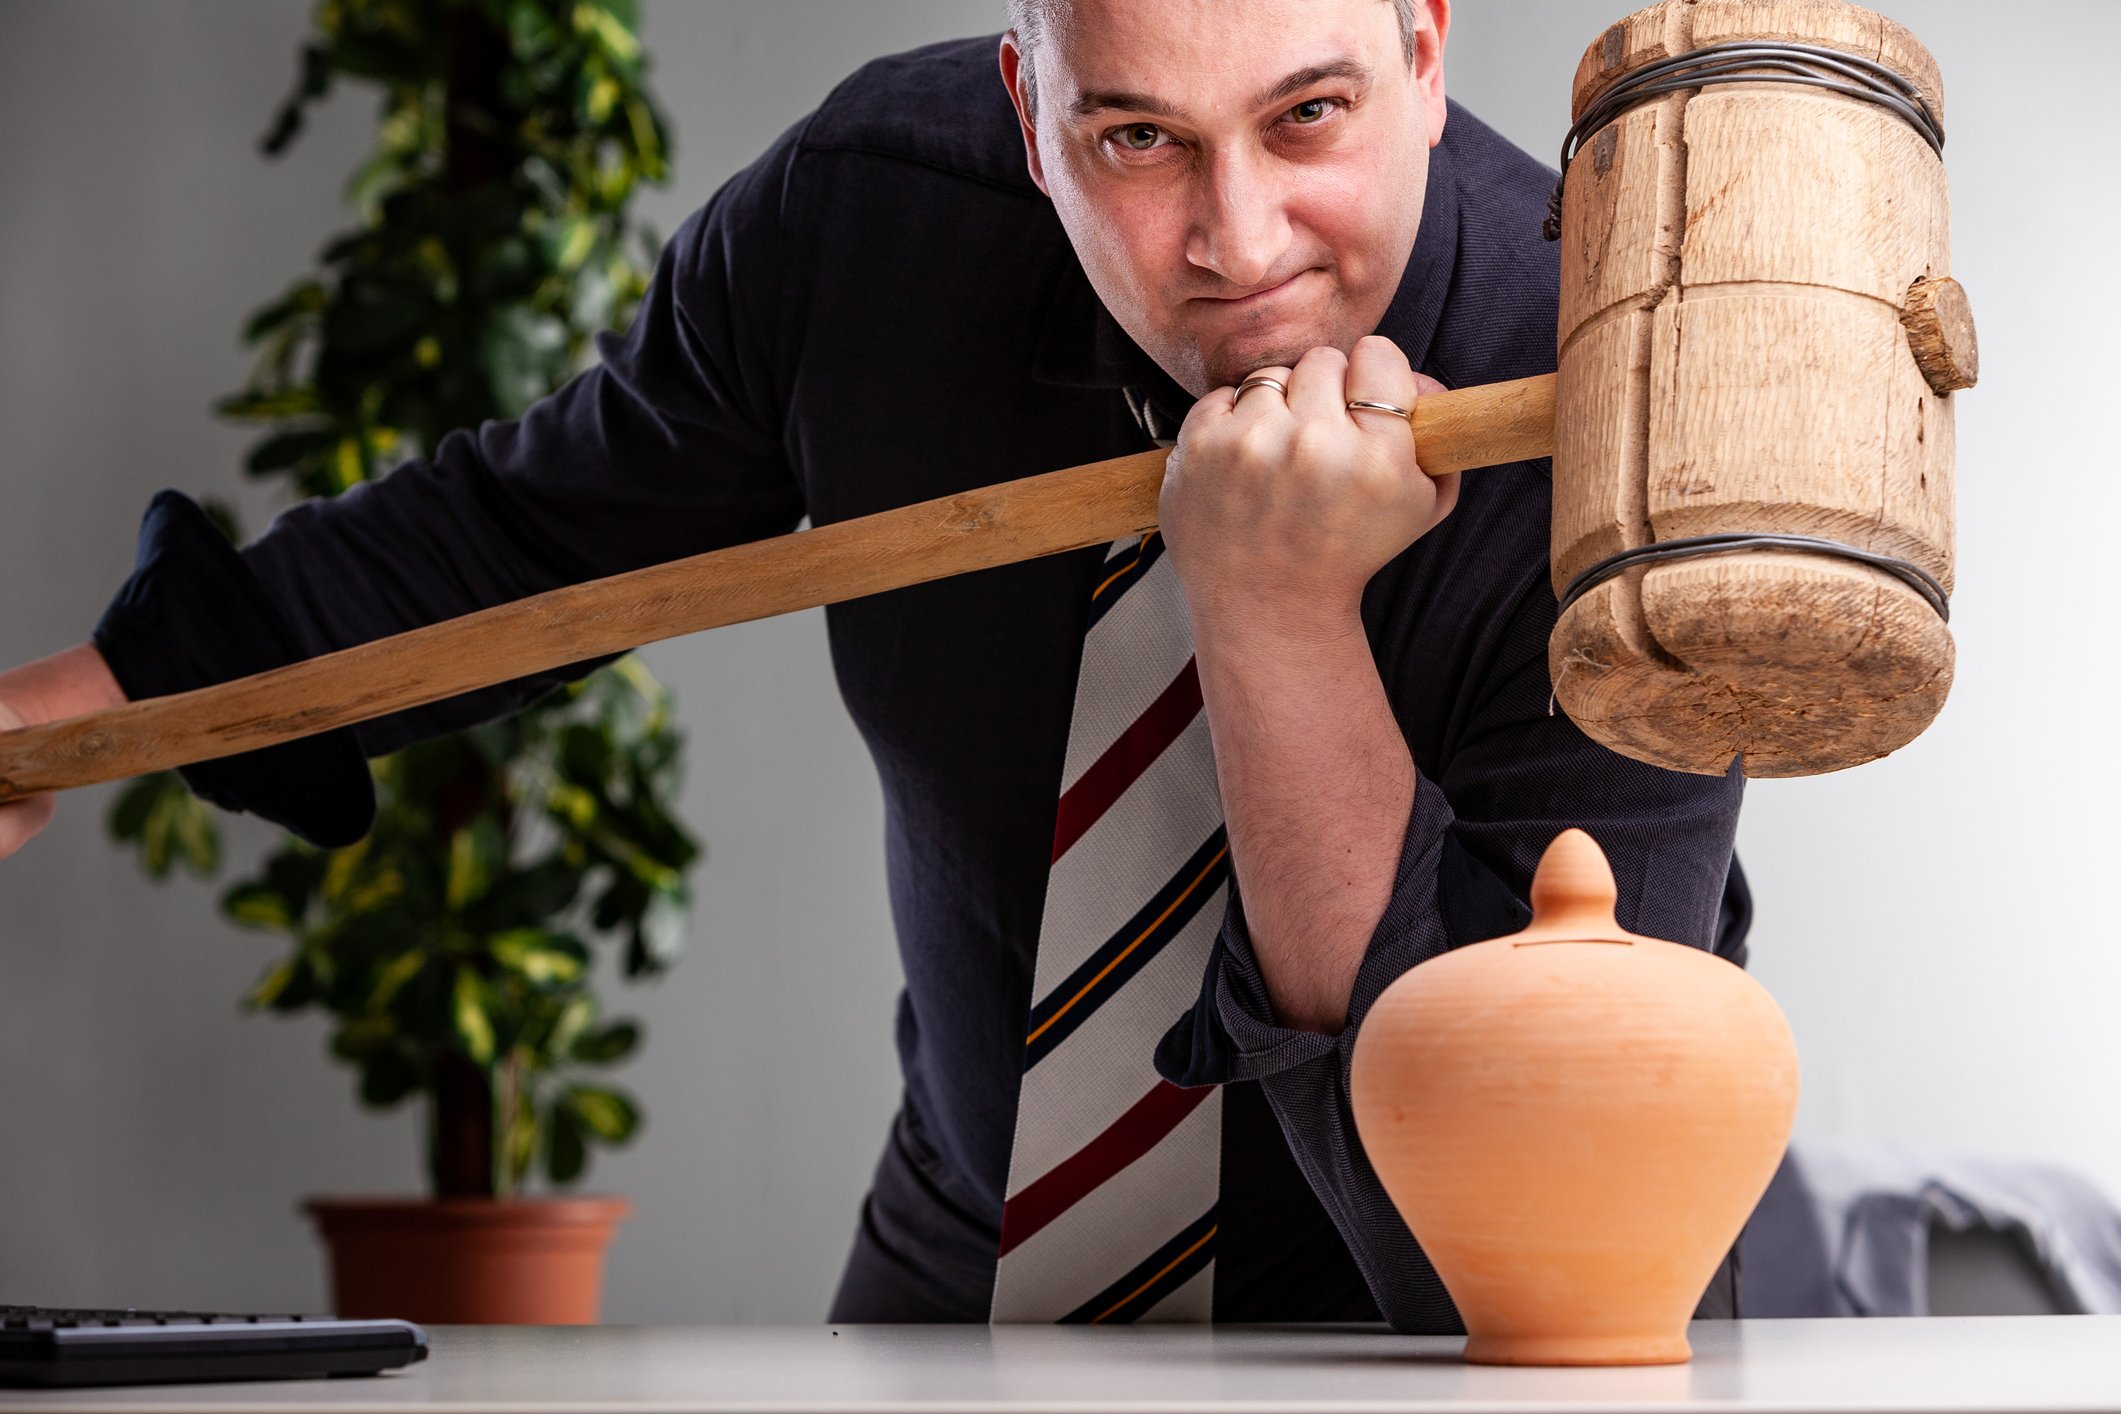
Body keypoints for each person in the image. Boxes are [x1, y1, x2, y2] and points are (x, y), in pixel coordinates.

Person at [0, 0, 1752, 1329]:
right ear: (1027, 111)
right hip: (965, 1272)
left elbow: (1518, 1231)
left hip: (1438, 1336)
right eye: (1135, 139)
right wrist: (50, 728)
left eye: (1308, 117)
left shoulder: (1619, 390)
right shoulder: (874, 222)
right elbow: (521, 543)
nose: (1239, 241)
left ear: (1425, 47)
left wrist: (1277, 619)